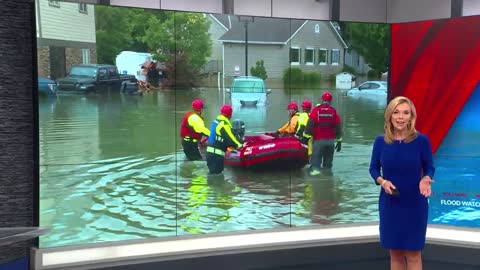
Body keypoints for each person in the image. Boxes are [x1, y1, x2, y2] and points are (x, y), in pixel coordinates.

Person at [369, 96, 435, 270]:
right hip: (390, 203)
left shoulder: (421, 141)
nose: (400, 117)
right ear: (390, 115)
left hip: (415, 204)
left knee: (413, 254)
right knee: (395, 253)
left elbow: (430, 168)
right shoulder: (380, 141)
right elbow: (373, 169)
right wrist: (382, 182)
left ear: (411, 117)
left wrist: (426, 179)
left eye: (405, 113)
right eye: (396, 112)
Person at [305, 91, 342, 175]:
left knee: (315, 166)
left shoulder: (316, 110)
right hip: (330, 142)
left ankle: (317, 183)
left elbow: (310, 124)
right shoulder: (333, 111)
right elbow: (338, 126)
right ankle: (328, 181)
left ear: (322, 100)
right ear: (330, 101)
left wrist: (306, 136)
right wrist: (339, 140)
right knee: (328, 166)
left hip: (319, 141)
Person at [206, 105, 242, 174]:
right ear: (230, 115)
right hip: (216, 156)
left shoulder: (216, 121)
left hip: (210, 154)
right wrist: (240, 146)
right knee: (217, 177)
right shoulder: (224, 124)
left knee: (213, 176)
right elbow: (231, 139)